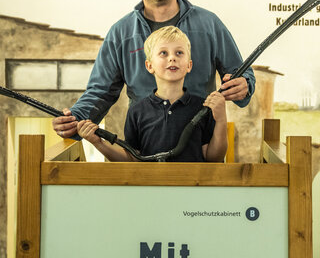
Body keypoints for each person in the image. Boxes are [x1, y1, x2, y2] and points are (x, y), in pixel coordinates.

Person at [51, 0, 255, 139]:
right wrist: (74, 119)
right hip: (144, 147)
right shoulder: (121, 33)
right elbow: (100, 93)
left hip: (201, 146)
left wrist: (244, 85)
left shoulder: (209, 24)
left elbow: (241, 73)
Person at [76, 26, 227, 162]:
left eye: (179, 53)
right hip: (149, 190)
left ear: (189, 65)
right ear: (149, 66)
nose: (172, 58)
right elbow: (133, 158)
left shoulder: (203, 108)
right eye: (163, 53)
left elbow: (213, 157)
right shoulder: (137, 111)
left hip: (194, 189)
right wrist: (98, 143)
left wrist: (221, 119)